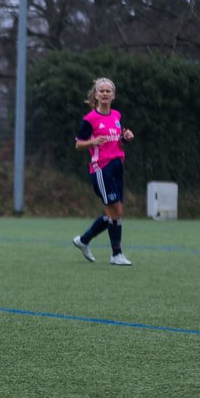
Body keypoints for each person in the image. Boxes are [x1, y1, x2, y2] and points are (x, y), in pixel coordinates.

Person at [72, 77, 135, 266]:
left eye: (109, 91)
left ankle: (83, 240)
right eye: (102, 91)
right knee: (114, 210)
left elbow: (115, 140)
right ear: (96, 95)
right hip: (101, 168)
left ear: (113, 95)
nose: (105, 94)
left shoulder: (116, 115)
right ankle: (116, 254)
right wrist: (91, 142)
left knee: (116, 211)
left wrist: (125, 138)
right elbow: (78, 144)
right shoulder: (90, 119)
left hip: (117, 166)